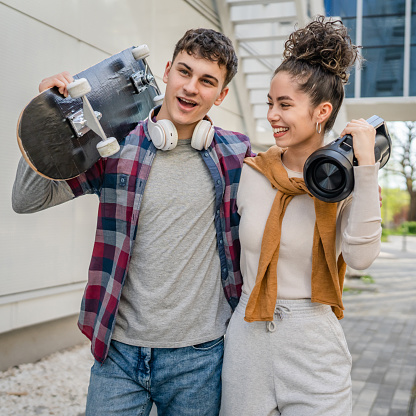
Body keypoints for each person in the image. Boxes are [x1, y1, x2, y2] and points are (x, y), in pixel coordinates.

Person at [12, 28, 253, 416]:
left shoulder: (237, 154)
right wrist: (48, 121)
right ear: (167, 70)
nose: (191, 88)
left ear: (221, 95)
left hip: (200, 358)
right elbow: (27, 199)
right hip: (119, 355)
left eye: (207, 81)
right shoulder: (111, 147)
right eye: (185, 72)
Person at [220, 16, 382, 416]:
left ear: (321, 111)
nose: (273, 115)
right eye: (270, 103)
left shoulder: (345, 183)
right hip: (248, 337)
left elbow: (361, 258)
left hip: (314, 342)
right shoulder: (252, 172)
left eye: (285, 105)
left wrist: (366, 171)